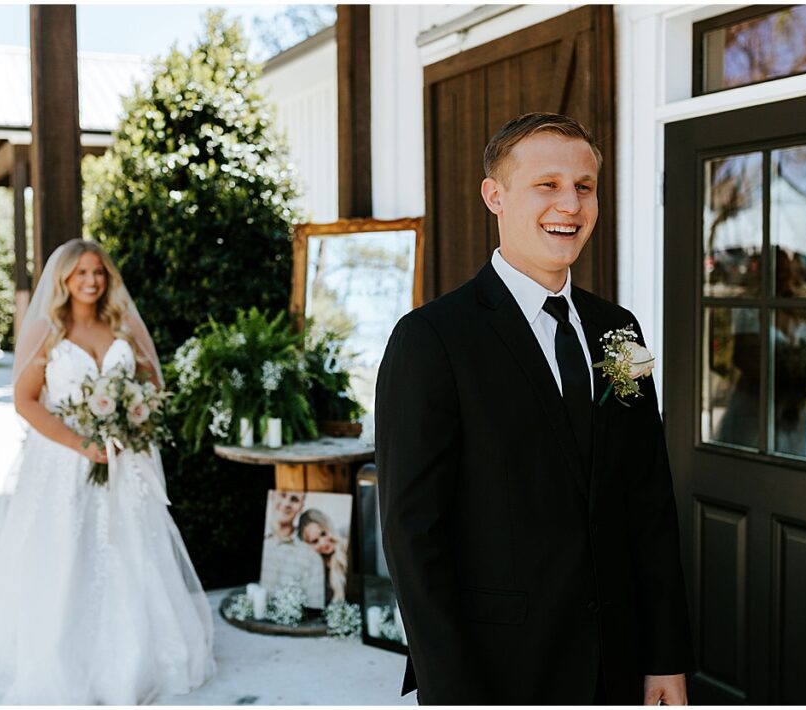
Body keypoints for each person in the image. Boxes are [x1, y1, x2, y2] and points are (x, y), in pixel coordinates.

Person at [376, 113, 694, 705]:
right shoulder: (430, 339)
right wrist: (453, 693)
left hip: (619, 664)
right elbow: (412, 535)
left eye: (584, 186)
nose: (569, 204)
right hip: (499, 672)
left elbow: (649, 499)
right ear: (494, 196)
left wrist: (665, 656)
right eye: (547, 185)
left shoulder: (620, 332)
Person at [0, 239, 216, 705]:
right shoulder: (47, 332)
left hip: (121, 462)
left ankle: (132, 655)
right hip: (62, 463)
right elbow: (25, 401)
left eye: (98, 273)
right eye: (81, 274)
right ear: (64, 281)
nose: (92, 282)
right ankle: (60, 657)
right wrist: (82, 443)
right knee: (64, 556)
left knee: (127, 551)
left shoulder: (123, 327)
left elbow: (152, 384)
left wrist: (131, 414)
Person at [260, 490, 326, 609]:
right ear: (272, 495)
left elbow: (314, 608)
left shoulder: (312, 558)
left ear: (301, 506)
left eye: (294, 499)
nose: (286, 504)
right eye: (282, 495)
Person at [297, 508, 349, 603]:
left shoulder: (345, 547)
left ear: (328, 527)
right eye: (315, 541)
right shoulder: (315, 567)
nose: (323, 543)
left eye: (323, 534)